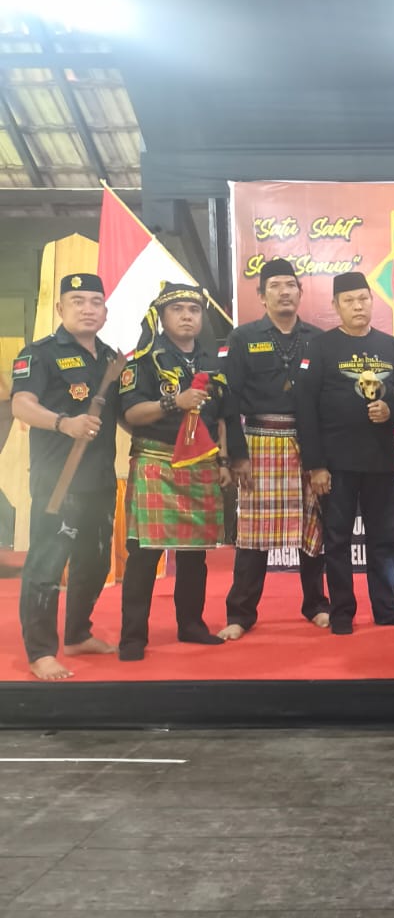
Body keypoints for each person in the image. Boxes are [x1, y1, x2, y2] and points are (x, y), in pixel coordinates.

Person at [295, 270, 394, 635]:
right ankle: (341, 612)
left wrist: (390, 411)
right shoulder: (320, 347)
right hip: (336, 464)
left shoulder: (390, 346)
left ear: (372, 301)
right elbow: (305, 407)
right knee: (337, 539)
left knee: (385, 538)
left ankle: (387, 608)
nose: (357, 306)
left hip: (379, 461)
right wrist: (316, 465)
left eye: (363, 299)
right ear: (336, 306)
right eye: (349, 301)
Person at [11, 272, 120, 681]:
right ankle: (40, 652)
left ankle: (77, 634)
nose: (87, 309)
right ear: (60, 308)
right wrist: (63, 423)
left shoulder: (111, 358)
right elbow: (21, 404)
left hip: (100, 479)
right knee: (47, 564)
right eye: (77, 301)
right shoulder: (40, 354)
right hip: (59, 480)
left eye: (95, 301)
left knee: (95, 561)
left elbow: (123, 413)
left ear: (105, 311)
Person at [117, 282, 231, 661]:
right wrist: (173, 402)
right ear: (161, 317)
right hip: (156, 461)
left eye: (194, 310)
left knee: (194, 555)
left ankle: (191, 625)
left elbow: (223, 417)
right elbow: (131, 413)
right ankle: (133, 637)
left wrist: (225, 461)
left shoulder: (213, 361)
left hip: (201, 464)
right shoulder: (143, 360)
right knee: (144, 555)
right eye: (177, 309)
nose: (186, 316)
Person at [219, 257, 328, 640]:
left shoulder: (318, 338)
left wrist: (321, 458)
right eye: (275, 286)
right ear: (262, 295)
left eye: (290, 285)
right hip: (259, 441)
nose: (284, 292)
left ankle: (316, 605)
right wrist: (237, 455)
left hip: (308, 441)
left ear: (300, 292)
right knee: (253, 533)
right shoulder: (242, 338)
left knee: (313, 530)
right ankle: (240, 613)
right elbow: (229, 400)